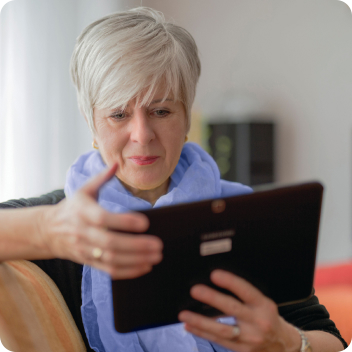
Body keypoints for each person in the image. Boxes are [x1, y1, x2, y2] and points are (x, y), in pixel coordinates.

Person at [0, 7, 347, 352]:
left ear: (186, 118)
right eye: (118, 114)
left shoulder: (246, 218)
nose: (142, 134)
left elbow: (331, 339)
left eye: (161, 111)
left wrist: (286, 342)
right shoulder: (62, 225)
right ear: (92, 123)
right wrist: (47, 230)